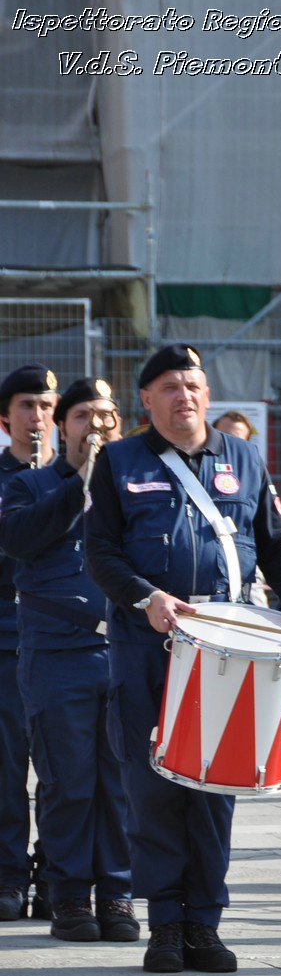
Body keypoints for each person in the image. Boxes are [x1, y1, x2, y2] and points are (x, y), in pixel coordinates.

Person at [85, 345, 281, 974]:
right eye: (168, 386)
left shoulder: (242, 457)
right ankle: (165, 924)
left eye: (193, 384)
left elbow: (279, 541)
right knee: (155, 787)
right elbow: (101, 553)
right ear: (146, 399)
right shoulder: (118, 460)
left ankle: (205, 925)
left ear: (208, 394)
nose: (183, 395)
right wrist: (145, 597)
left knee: (217, 785)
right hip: (150, 646)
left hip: (226, 645)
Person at [0, 376, 136, 943]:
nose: (95, 427)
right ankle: (69, 893)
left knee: (122, 782)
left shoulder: (133, 480)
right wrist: (78, 480)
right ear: (64, 427)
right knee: (67, 781)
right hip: (56, 654)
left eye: (106, 416)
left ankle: (119, 893)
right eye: (82, 417)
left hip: (123, 649)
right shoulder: (28, 484)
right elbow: (21, 538)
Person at [0, 363, 57, 923]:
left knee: (65, 770)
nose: (36, 417)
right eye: (26, 406)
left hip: (63, 638)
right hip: (9, 636)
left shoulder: (78, 476)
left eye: (45, 406)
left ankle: (57, 873)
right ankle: (9, 875)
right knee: (7, 767)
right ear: (5, 417)